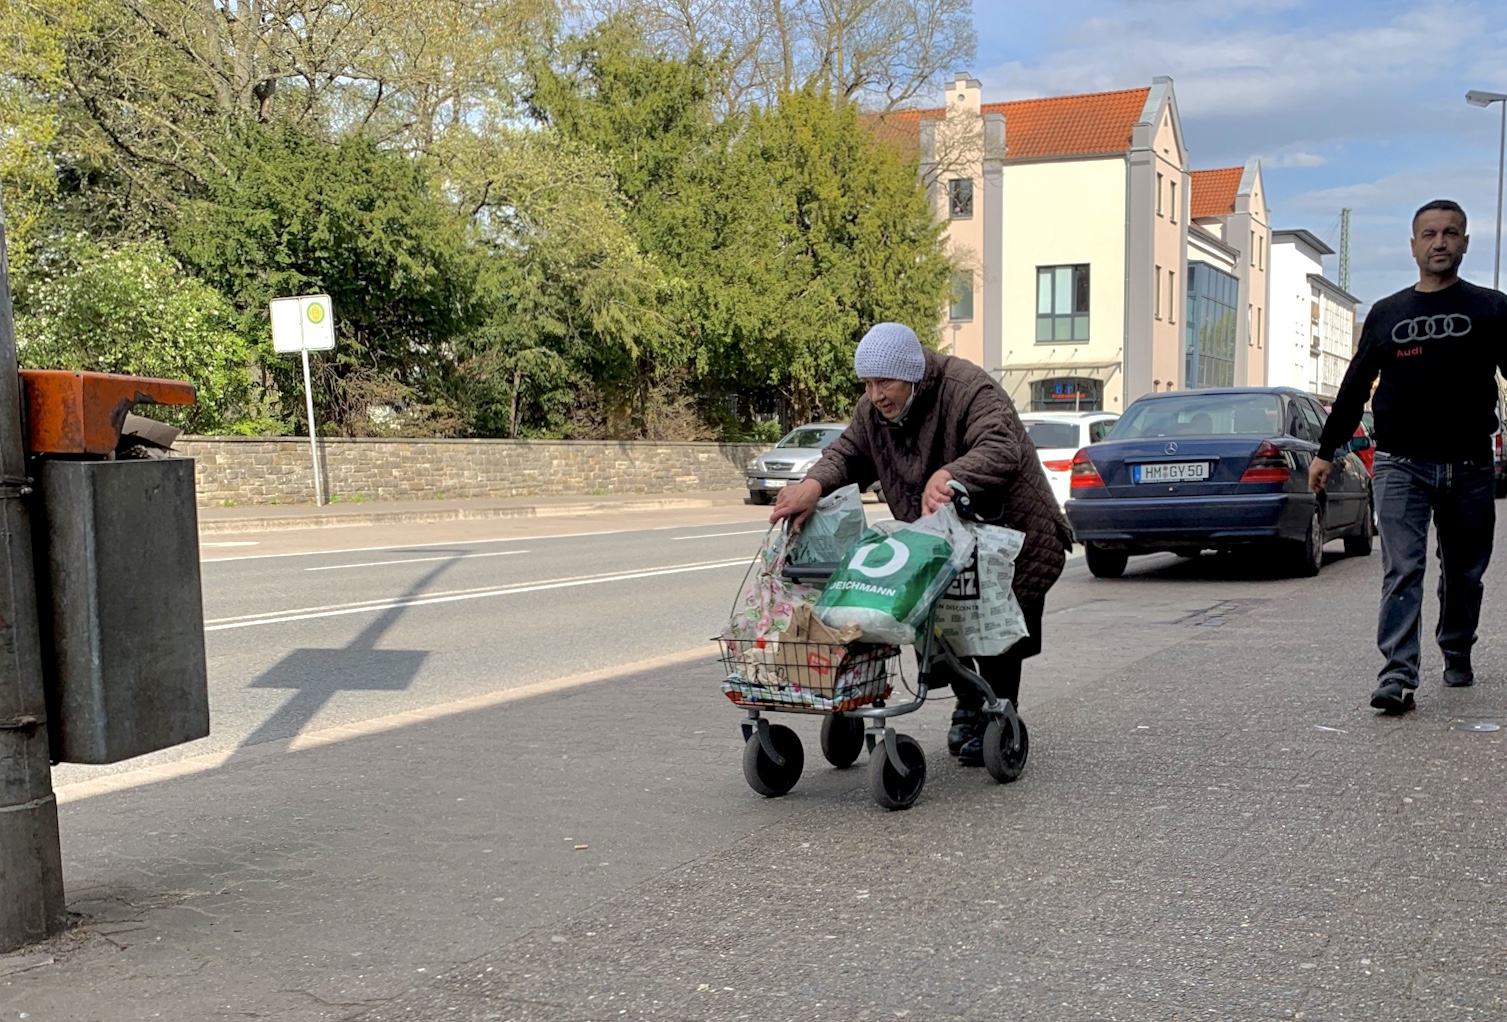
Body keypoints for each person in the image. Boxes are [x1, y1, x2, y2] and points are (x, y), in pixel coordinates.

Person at [769, 322, 1072, 765]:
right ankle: (970, 703)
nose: (875, 395)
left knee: (995, 629)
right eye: (867, 384)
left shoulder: (967, 388)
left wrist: (952, 474)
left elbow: (1000, 445)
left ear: (912, 374)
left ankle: (999, 713)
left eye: (884, 382)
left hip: (1008, 530)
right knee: (933, 619)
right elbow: (848, 452)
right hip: (940, 535)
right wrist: (813, 484)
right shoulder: (873, 410)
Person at [1312, 199, 1507, 714]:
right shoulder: (1387, 314)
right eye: (1429, 234)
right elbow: (1354, 388)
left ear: (1465, 242)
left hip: (1469, 464)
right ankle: (1397, 675)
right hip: (1400, 464)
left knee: (1464, 573)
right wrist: (1326, 451)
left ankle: (1457, 647)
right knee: (1403, 568)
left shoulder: (1491, 308)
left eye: (1450, 233)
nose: (1439, 242)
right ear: (1413, 244)